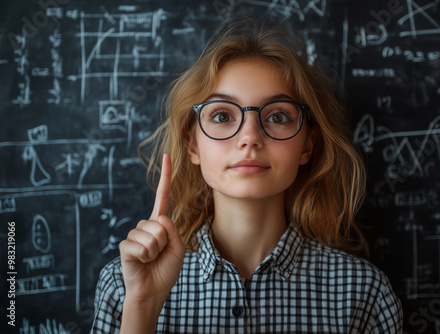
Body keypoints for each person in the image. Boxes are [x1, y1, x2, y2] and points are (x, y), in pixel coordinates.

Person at [91, 16, 403, 333]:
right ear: (193, 145)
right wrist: (142, 305)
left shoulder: (363, 293)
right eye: (223, 115)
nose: (250, 137)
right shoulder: (125, 284)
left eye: (278, 116)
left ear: (307, 145)